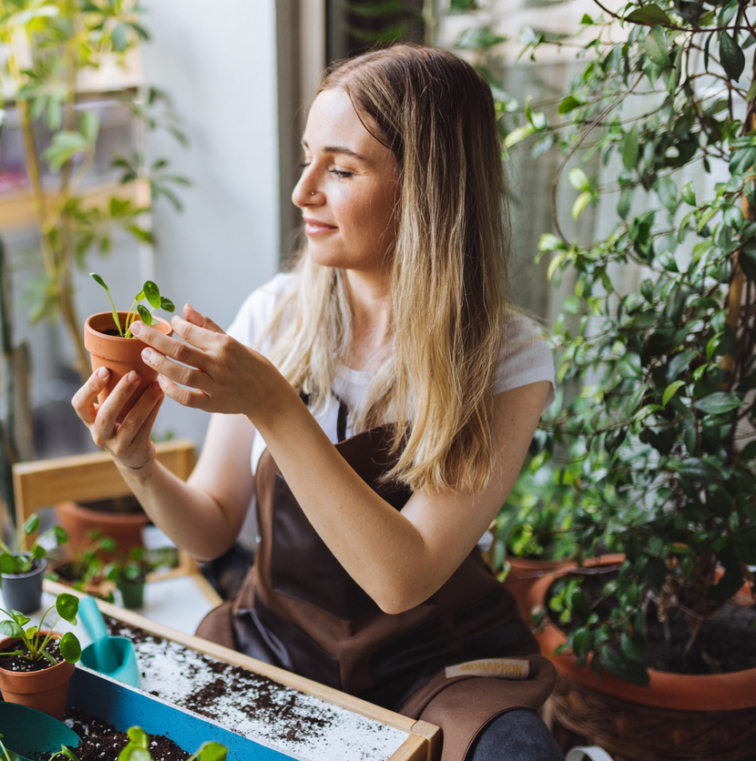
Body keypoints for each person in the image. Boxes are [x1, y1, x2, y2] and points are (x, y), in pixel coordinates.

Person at [71, 43, 565, 761]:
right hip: (278, 639)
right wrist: (138, 460)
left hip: (437, 664)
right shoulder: (274, 313)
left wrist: (274, 404)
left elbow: (403, 577)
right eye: (308, 158)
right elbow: (212, 530)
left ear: (425, 188)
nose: (303, 191)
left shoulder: (507, 358)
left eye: (340, 168)